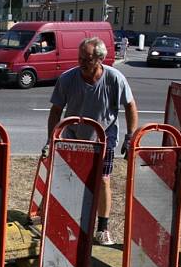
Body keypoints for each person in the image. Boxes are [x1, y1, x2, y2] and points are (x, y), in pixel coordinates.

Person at [44, 36, 138, 245]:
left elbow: (130, 106)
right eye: (79, 58)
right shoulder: (68, 79)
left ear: (99, 59)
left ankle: (102, 229)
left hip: (104, 136)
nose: (81, 63)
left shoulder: (115, 79)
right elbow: (55, 111)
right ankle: (67, 222)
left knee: (103, 180)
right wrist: (52, 139)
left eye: (87, 60)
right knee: (68, 180)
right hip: (73, 137)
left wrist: (130, 136)